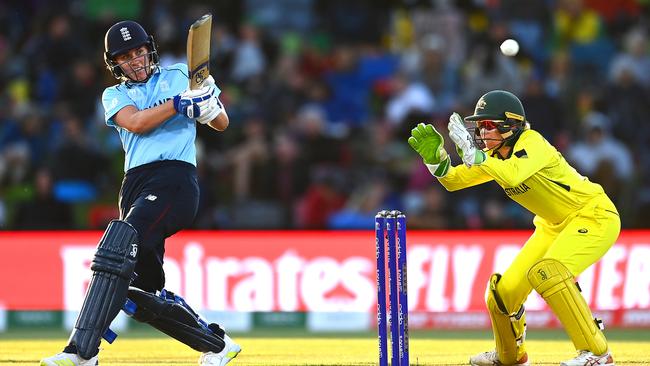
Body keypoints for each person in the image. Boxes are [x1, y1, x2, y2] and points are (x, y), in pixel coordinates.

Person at [41, 20, 241, 366]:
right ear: (114, 64)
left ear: (150, 49)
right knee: (138, 292)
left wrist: (209, 106)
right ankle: (217, 344)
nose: (134, 60)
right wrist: (180, 104)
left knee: (119, 244)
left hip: (175, 179)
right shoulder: (115, 95)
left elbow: (221, 122)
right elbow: (136, 123)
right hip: (134, 185)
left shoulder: (180, 74)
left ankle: (81, 352)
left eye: (138, 51)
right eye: (125, 57)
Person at [408, 90, 619, 366]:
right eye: (479, 127)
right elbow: (454, 181)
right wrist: (437, 161)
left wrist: (477, 157)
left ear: (510, 126)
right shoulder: (495, 156)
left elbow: (514, 173)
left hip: (593, 215)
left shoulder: (533, 143)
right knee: (502, 293)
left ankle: (598, 353)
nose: (482, 134)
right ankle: (510, 356)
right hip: (551, 226)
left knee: (548, 273)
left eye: (488, 126)